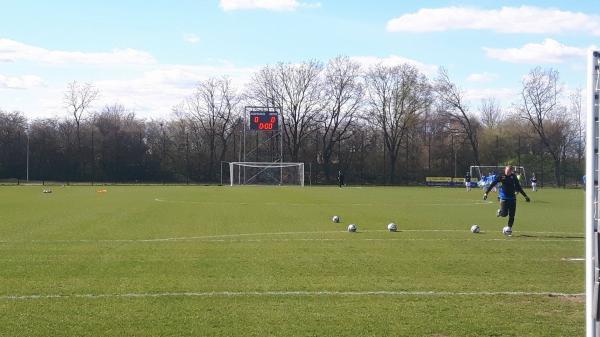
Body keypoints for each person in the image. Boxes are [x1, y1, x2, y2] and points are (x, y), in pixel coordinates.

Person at [483, 165, 530, 235]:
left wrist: (525, 196)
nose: (507, 172)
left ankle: (509, 228)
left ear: (511, 172)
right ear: (505, 169)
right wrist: (486, 193)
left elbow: (518, 187)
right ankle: (500, 212)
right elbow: (493, 184)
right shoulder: (501, 176)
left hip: (513, 198)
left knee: (512, 215)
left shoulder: (513, 177)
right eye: (506, 171)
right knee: (504, 214)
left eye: (509, 171)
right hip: (504, 198)